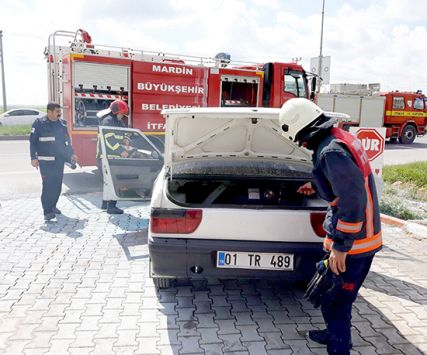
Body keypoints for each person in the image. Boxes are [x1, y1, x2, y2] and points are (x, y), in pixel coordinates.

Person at [279, 98, 382, 355]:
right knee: (332, 297)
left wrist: (341, 246)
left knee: (337, 301)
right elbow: (349, 179)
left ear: (304, 130)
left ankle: (339, 347)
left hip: (355, 244)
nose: (302, 145)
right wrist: (317, 184)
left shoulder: (330, 151)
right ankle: (333, 335)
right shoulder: (340, 137)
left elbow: (352, 200)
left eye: (301, 140)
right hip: (362, 238)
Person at [30, 103, 77, 221]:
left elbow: (67, 142)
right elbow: (33, 142)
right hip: (45, 162)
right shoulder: (39, 123)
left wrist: (72, 154)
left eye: (59, 111)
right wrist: (33, 158)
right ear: (49, 112)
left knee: (57, 185)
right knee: (48, 186)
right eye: (57, 111)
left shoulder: (62, 124)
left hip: (59, 161)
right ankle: (47, 211)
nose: (59, 114)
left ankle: (53, 205)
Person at [97, 99, 129, 214]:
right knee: (113, 181)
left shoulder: (117, 122)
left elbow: (124, 133)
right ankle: (111, 206)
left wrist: (126, 139)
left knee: (107, 181)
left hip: (111, 157)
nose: (122, 116)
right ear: (116, 112)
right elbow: (109, 140)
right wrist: (121, 151)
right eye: (122, 114)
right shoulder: (108, 121)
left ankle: (105, 203)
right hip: (107, 156)